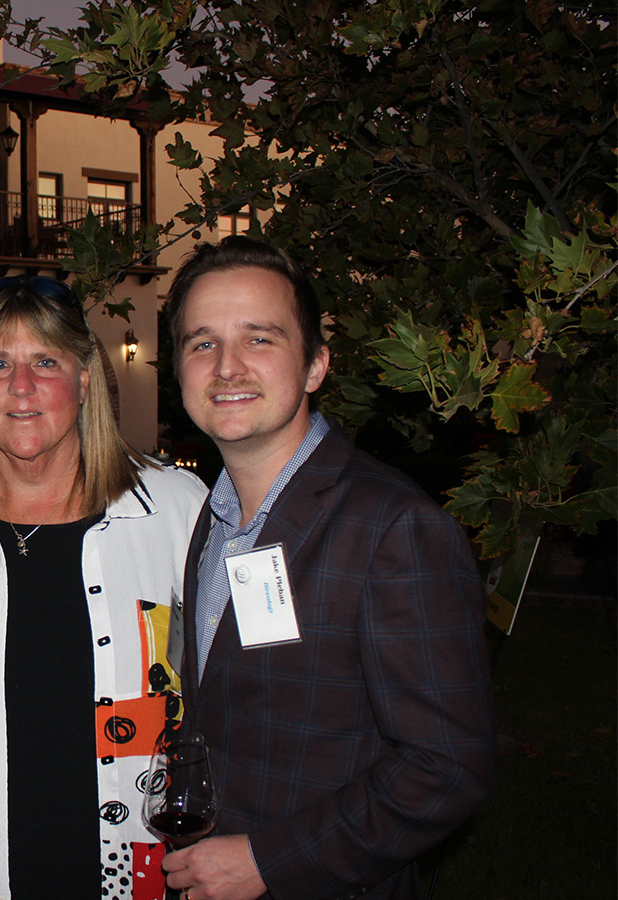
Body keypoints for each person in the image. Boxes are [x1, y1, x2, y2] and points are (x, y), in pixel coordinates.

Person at [161, 237, 495, 900]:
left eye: (259, 339)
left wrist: (268, 860)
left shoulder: (394, 528)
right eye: (202, 343)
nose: (227, 367)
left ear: (315, 364)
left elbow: (447, 767)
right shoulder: (215, 518)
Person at [0, 276, 208, 899]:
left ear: (85, 379)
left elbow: (241, 679)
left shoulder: (170, 507)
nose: (22, 386)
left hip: (136, 869)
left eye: (46, 361)